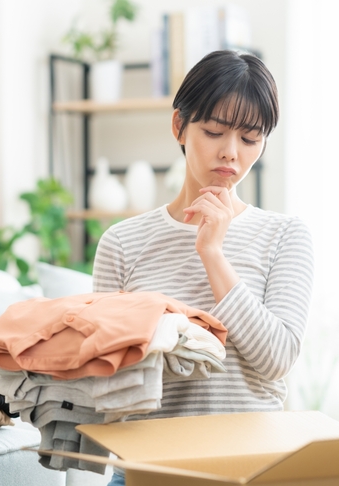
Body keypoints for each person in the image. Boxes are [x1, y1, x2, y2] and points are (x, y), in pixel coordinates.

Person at [92, 49, 314, 486]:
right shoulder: (121, 242)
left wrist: (213, 253)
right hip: (146, 467)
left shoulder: (286, 235)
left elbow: (277, 360)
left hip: (253, 466)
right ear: (179, 126)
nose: (231, 154)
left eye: (250, 140)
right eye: (214, 131)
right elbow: (105, 382)